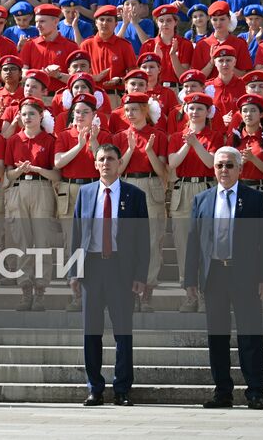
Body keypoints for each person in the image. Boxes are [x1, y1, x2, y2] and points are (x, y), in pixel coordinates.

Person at [182, 145, 263, 409]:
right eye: (219, 165)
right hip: (214, 275)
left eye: (229, 165)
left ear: (240, 169)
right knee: (218, 337)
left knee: (250, 336)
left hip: (244, 275)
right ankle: (222, 392)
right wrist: (190, 280)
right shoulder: (202, 200)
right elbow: (193, 241)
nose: (224, 170)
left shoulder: (255, 199)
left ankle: (255, 392)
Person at [69, 143, 149, 407]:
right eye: (101, 159)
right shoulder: (86, 192)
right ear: (95, 164)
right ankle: (95, 388)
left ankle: (123, 388)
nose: (106, 163)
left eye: (111, 159)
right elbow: (77, 234)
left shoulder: (134, 195)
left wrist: (140, 274)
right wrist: (74, 271)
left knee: (123, 332)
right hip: (92, 269)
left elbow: (142, 240)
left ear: (119, 163)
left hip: (121, 269)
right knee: (91, 332)